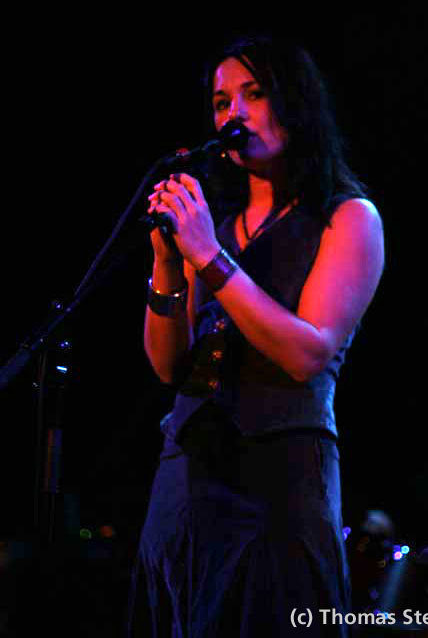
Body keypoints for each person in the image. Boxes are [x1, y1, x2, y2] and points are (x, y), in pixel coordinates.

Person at [127, 35, 385, 636]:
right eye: (221, 102)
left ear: (295, 102)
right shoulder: (216, 227)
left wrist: (208, 257)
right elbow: (167, 366)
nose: (233, 114)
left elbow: (308, 353)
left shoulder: (349, 218)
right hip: (186, 479)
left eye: (254, 93)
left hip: (279, 483)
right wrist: (167, 262)